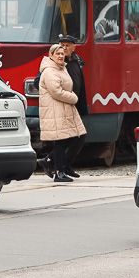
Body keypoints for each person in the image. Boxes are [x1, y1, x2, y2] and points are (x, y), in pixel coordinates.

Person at [38, 43, 87, 183]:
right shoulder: (49, 71)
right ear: (51, 56)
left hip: (65, 109)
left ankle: (50, 161)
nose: (60, 56)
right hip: (55, 110)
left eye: (62, 54)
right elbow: (56, 91)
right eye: (57, 54)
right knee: (61, 141)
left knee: (76, 136)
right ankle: (58, 172)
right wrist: (74, 97)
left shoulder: (62, 68)